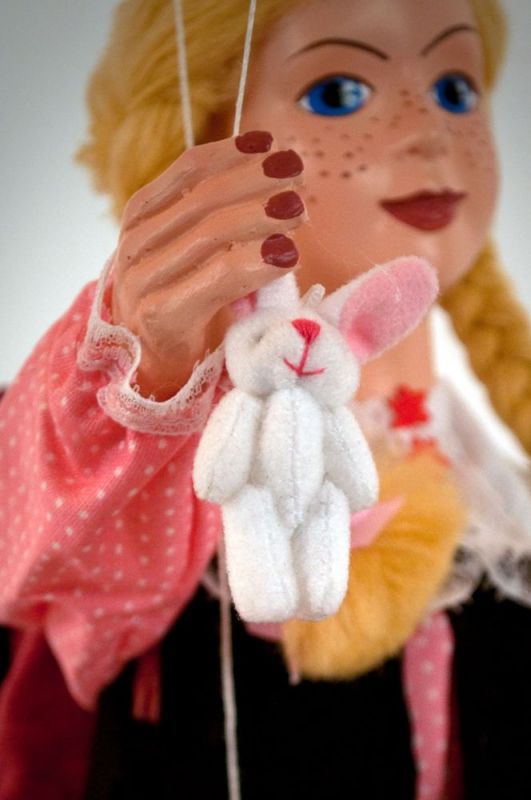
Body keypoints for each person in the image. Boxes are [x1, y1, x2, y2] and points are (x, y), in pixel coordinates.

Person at [1, 0, 530, 798]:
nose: (429, 132)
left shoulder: (502, 500)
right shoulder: (155, 480)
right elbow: (49, 550)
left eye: (455, 89)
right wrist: (140, 371)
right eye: (338, 92)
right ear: (196, 142)